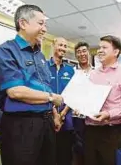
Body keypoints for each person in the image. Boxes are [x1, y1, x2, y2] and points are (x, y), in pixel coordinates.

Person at [0, 4, 63, 165]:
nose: (44, 29)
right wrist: (51, 98)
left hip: (46, 122)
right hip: (21, 126)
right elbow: (15, 91)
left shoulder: (40, 55)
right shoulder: (6, 51)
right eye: (41, 23)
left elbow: (45, 87)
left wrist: (54, 114)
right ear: (23, 23)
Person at [84, 35, 121, 165]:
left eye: (104, 47)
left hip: (112, 131)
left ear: (116, 51)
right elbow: (86, 97)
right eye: (99, 47)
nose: (100, 50)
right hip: (90, 129)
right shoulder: (92, 74)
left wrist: (108, 114)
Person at [47, 37, 75, 165]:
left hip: (66, 119)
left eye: (65, 46)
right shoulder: (44, 67)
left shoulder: (70, 70)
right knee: (49, 156)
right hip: (48, 118)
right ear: (53, 45)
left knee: (65, 156)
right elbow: (43, 91)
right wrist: (54, 115)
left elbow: (74, 94)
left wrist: (62, 114)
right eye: (60, 45)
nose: (63, 48)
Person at [72, 41, 94, 165]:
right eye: (79, 52)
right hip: (77, 117)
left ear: (89, 52)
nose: (82, 54)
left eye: (84, 51)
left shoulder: (97, 72)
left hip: (92, 116)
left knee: (91, 150)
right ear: (76, 55)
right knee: (78, 150)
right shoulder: (71, 72)